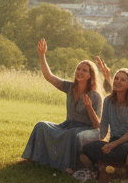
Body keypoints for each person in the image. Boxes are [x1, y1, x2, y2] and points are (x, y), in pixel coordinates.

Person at [21, 39, 102, 170]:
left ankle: (65, 166)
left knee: (71, 134)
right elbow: (49, 77)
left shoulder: (95, 96)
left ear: (90, 75)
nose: (80, 72)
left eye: (84, 70)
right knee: (41, 125)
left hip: (84, 128)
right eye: (78, 69)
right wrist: (42, 55)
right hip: (67, 125)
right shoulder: (69, 87)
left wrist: (89, 108)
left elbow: (97, 125)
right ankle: (34, 159)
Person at [80, 69, 128, 174]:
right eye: (116, 78)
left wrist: (112, 145)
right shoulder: (107, 101)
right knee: (88, 147)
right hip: (113, 143)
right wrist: (97, 141)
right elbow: (104, 126)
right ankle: (106, 165)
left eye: (122, 80)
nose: (118, 82)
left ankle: (100, 165)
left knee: (125, 152)